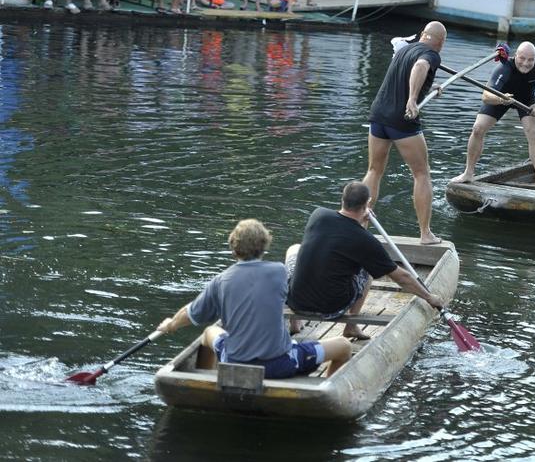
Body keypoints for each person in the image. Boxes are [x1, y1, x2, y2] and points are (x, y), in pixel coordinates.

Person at [157, 219, 352, 379]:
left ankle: (210, 382)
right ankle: (324, 388)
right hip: (280, 365)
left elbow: (192, 313)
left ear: (234, 249)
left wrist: (171, 324)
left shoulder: (220, 281)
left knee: (209, 332)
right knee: (344, 346)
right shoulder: (279, 271)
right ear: (264, 245)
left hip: (232, 363)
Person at [285, 182, 445, 340]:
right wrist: (429, 297)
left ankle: (295, 322)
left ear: (343, 199)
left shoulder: (318, 215)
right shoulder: (365, 240)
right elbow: (401, 277)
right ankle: (351, 327)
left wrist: (362, 220)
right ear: (367, 203)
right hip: (331, 308)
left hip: (297, 301)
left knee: (293, 249)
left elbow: (346, 231)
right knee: (367, 270)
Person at [363, 22, 446, 245]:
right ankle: (426, 234)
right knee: (421, 173)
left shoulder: (404, 50)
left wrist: (430, 87)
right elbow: (419, 67)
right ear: (441, 43)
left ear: (421, 35)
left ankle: (360, 224)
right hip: (401, 120)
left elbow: (407, 74)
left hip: (378, 114)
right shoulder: (431, 54)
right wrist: (412, 99)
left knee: (374, 169)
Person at [450, 41, 535, 198]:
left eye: (530, 60)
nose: (526, 64)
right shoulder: (504, 68)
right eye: (522, 58)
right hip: (500, 97)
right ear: (515, 56)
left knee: (533, 133)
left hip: (527, 98)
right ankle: (468, 173)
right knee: (478, 128)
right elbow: (486, 96)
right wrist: (501, 100)